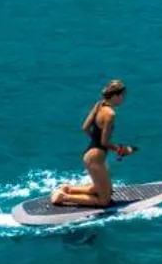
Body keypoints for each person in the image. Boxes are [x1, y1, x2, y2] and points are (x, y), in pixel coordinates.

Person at [50, 80, 135, 208]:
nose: (123, 99)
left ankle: (68, 188)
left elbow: (85, 127)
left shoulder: (99, 104)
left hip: (91, 153)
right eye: (122, 95)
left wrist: (95, 143)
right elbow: (104, 142)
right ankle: (63, 197)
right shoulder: (110, 114)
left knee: (107, 190)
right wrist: (121, 150)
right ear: (115, 96)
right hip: (95, 159)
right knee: (104, 201)